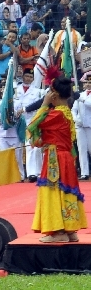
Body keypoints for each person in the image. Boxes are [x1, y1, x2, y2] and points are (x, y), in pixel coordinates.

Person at [28, 76, 87, 243]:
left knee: (54, 191)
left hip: (56, 158)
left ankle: (58, 231)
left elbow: (32, 125)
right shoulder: (66, 112)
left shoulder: (56, 114)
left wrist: (45, 103)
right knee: (66, 191)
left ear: (53, 94)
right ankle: (70, 231)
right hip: (66, 157)